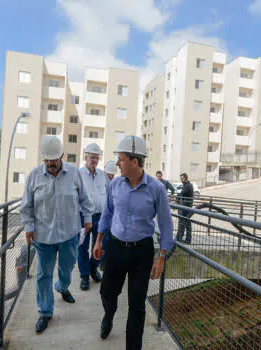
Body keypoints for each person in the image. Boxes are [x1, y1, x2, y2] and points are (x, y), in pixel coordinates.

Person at [93, 135, 174, 349]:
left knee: (137, 306)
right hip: (116, 248)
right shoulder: (115, 184)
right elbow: (107, 213)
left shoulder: (156, 189)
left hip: (142, 252)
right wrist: (99, 240)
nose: (117, 164)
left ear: (134, 162)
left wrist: (162, 257)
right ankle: (108, 315)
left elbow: (166, 224)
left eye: (121, 159)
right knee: (107, 292)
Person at [21, 136, 94, 333]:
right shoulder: (34, 176)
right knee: (44, 274)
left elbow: (85, 199)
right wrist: (28, 227)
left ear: (61, 155)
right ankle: (45, 311)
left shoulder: (74, 174)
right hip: (43, 236)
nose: (51, 164)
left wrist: (87, 218)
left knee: (68, 268)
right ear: (42, 158)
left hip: (69, 233)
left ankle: (62, 286)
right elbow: (26, 206)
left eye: (54, 159)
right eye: (47, 160)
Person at [77, 143, 108, 291]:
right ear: (85, 157)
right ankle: (84, 276)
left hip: (101, 216)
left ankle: (93, 269)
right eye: (91, 157)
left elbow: (110, 193)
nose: (94, 160)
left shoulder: (102, 175)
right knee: (82, 247)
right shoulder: (78, 174)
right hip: (82, 217)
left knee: (101, 245)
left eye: (96, 157)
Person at [99, 160, 118, 272]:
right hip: (101, 215)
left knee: (109, 241)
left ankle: (107, 262)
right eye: (109, 174)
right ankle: (102, 262)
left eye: (112, 174)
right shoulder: (100, 180)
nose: (110, 176)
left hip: (112, 217)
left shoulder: (115, 182)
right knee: (102, 241)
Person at [176, 173, 194, 243]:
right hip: (187, 207)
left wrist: (177, 198)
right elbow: (180, 194)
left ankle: (181, 238)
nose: (181, 180)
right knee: (186, 223)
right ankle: (185, 239)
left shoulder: (187, 186)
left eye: (182, 179)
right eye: (180, 179)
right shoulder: (187, 185)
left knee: (184, 222)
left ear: (185, 178)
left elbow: (181, 194)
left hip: (186, 207)